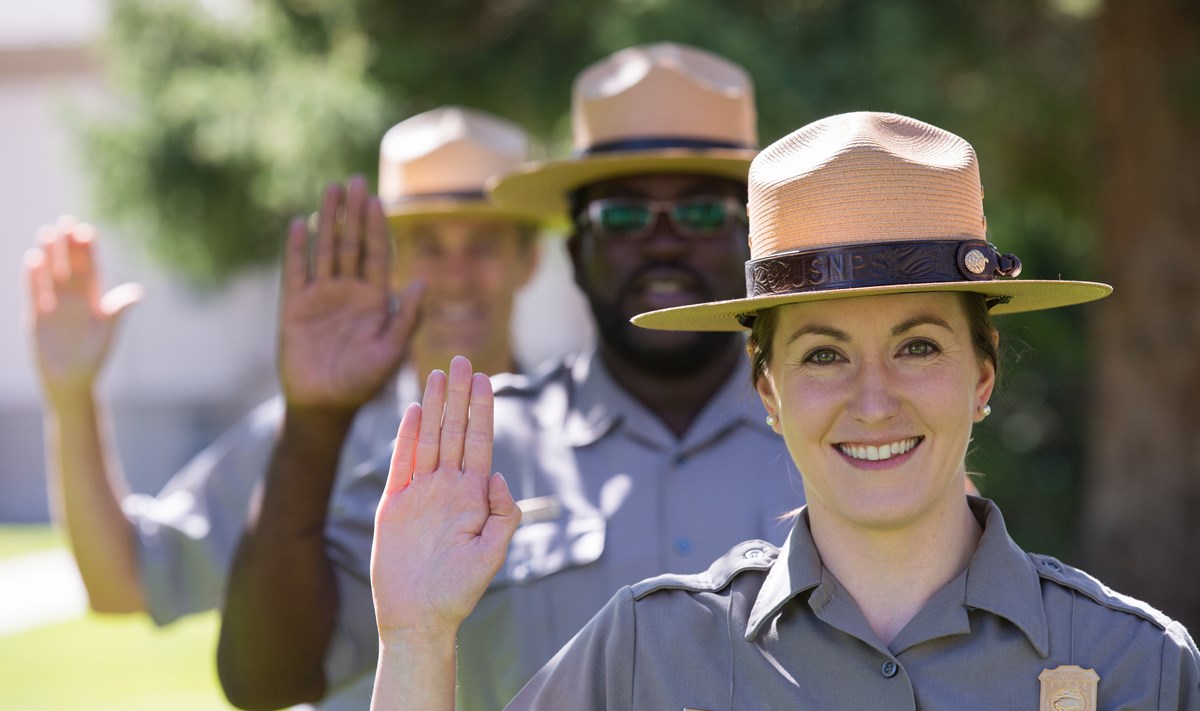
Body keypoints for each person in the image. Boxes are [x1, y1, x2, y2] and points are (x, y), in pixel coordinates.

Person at [368, 111, 1200, 709]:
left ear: (983, 375)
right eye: (824, 355)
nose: (873, 401)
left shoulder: (1133, 664)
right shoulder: (650, 653)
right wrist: (415, 635)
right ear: (766, 390)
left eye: (917, 346)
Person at [216, 43, 805, 710]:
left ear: (755, 241)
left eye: (702, 213)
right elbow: (266, 678)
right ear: (576, 251)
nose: (663, 239)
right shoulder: (477, 446)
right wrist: (315, 418)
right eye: (621, 215)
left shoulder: (834, 433)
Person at [23, 106, 543, 700]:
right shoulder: (309, 438)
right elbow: (120, 582)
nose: (456, 274)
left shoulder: (585, 428)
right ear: (391, 261)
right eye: (426, 244)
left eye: (484, 244)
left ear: (529, 259)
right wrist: (70, 398)